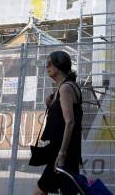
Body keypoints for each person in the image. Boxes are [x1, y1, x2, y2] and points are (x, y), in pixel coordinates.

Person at [35, 51, 83, 195]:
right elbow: (60, 119)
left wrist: (62, 154)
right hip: (63, 152)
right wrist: (50, 103)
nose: (46, 67)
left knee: (40, 191)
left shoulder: (66, 88)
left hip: (63, 154)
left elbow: (70, 122)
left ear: (58, 66)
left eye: (49, 64)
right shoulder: (64, 88)